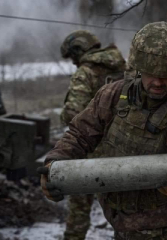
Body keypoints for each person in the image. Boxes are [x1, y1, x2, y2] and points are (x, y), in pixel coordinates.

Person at [39, 22, 167, 240]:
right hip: (116, 212)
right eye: (151, 73)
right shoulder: (113, 94)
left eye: (166, 74)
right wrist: (54, 163)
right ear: (138, 67)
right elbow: (79, 132)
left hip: (155, 222)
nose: (157, 81)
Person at [59, 30, 126, 240]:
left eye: (72, 57)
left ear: (79, 51)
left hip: (90, 153)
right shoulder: (123, 67)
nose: (73, 63)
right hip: (124, 151)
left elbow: (73, 113)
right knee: (125, 214)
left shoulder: (85, 73)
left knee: (79, 210)